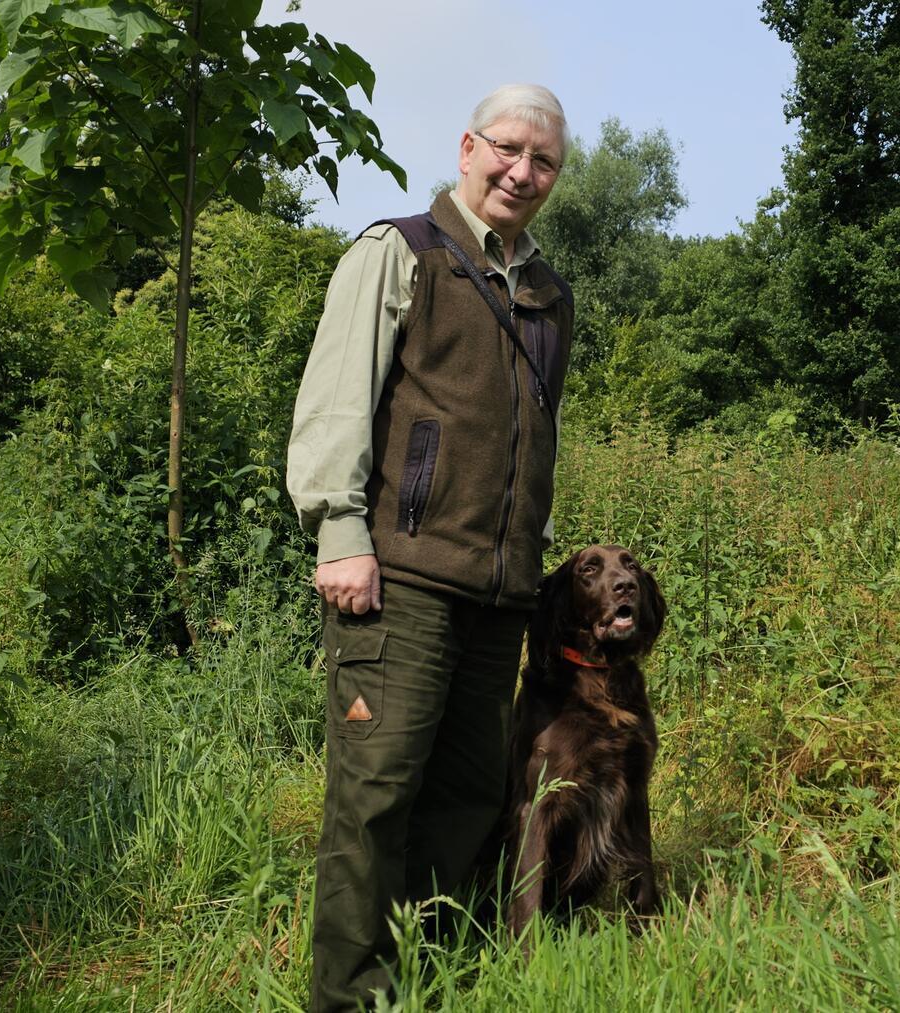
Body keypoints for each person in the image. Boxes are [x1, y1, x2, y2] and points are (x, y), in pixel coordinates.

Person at [286, 83, 573, 1012]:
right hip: (396, 579)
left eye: (544, 162)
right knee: (375, 799)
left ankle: (439, 977)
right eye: (508, 150)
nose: (522, 172)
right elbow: (337, 398)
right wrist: (341, 532)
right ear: (467, 146)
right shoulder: (400, 252)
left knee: (467, 802)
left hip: (500, 597)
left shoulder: (547, 293)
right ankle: (353, 997)